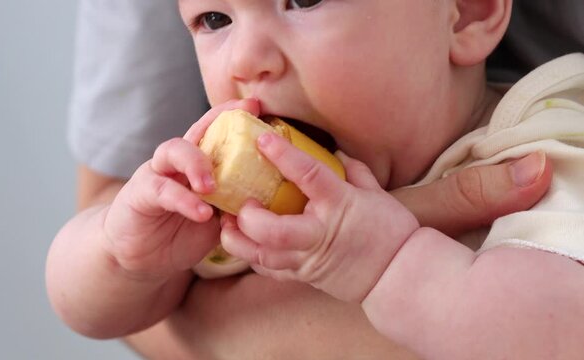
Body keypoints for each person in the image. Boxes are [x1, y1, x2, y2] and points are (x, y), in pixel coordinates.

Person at [46, 1, 583, 359]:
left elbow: (563, 332)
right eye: (215, 19)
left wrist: (386, 265)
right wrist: (123, 254)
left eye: (302, 0)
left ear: (466, 13)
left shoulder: (542, 143)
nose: (246, 59)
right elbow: (91, 311)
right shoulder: (238, 204)